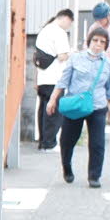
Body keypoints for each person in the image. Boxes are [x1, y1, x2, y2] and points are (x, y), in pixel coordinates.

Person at [53, 26, 110, 186]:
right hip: (75, 105)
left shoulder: (107, 63)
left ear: (106, 45)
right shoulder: (76, 58)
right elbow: (63, 81)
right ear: (89, 41)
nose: (98, 44)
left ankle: (94, 176)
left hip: (97, 107)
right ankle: (66, 167)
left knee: (97, 143)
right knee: (68, 140)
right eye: (95, 40)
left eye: (102, 42)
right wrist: (53, 99)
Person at [34, 9, 74, 150]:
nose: (68, 26)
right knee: (53, 111)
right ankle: (49, 144)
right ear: (65, 18)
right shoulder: (58, 32)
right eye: (69, 23)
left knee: (43, 110)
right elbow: (62, 55)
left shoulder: (44, 30)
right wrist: (72, 53)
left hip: (42, 78)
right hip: (54, 77)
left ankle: (43, 142)